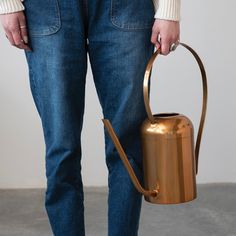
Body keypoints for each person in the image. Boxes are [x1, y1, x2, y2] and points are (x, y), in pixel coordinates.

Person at [0, 0, 180, 235]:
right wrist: (8, 4)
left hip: (127, 6)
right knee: (61, 147)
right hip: (47, 7)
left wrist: (169, 9)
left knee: (126, 146)